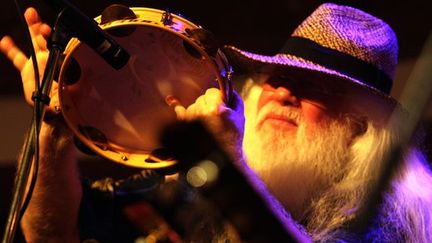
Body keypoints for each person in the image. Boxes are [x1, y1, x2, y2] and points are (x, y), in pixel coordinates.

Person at [1, 2, 432, 242]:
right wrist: (52, 128)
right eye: (276, 78)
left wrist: (229, 162)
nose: (281, 93)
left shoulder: (386, 220)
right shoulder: (191, 190)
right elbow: (50, 233)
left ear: (359, 126)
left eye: (315, 87)